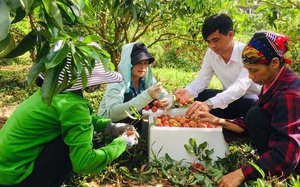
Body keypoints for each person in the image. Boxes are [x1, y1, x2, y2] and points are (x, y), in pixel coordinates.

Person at [0, 52, 140, 186]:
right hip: (16, 178)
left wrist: (108, 126)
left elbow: (77, 119)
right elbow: (85, 162)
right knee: (69, 143)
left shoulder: (51, 92)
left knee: (72, 134)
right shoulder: (73, 106)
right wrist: (122, 143)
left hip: (6, 169)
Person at [191, 31, 300, 187]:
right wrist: (216, 121)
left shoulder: (289, 94)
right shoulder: (272, 83)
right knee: (255, 114)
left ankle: (279, 171)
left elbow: (285, 156)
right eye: (248, 70)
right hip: (287, 151)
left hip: (293, 159)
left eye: (254, 70)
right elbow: (248, 121)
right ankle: (268, 164)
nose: (250, 76)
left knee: (255, 114)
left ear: (274, 63)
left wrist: (242, 173)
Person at [174, 13, 261, 121]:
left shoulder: (246, 53)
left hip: (250, 101)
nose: (212, 46)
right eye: (208, 42)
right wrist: (187, 91)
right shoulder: (211, 54)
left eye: (215, 40)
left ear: (230, 35)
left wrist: (209, 104)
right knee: (201, 95)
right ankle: (230, 121)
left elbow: (240, 87)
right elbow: (202, 79)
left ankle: (242, 124)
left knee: (250, 101)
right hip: (228, 100)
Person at [98, 42, 173, 135]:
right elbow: (113, 113)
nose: (143, 67)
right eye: (138, 62)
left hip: (132, 131)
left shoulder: (146, 80)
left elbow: (164, 94)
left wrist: (168, 99)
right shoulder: (116, 82)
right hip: (110, 132)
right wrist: (147, 96)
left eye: (146, 63)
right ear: (128, 64)